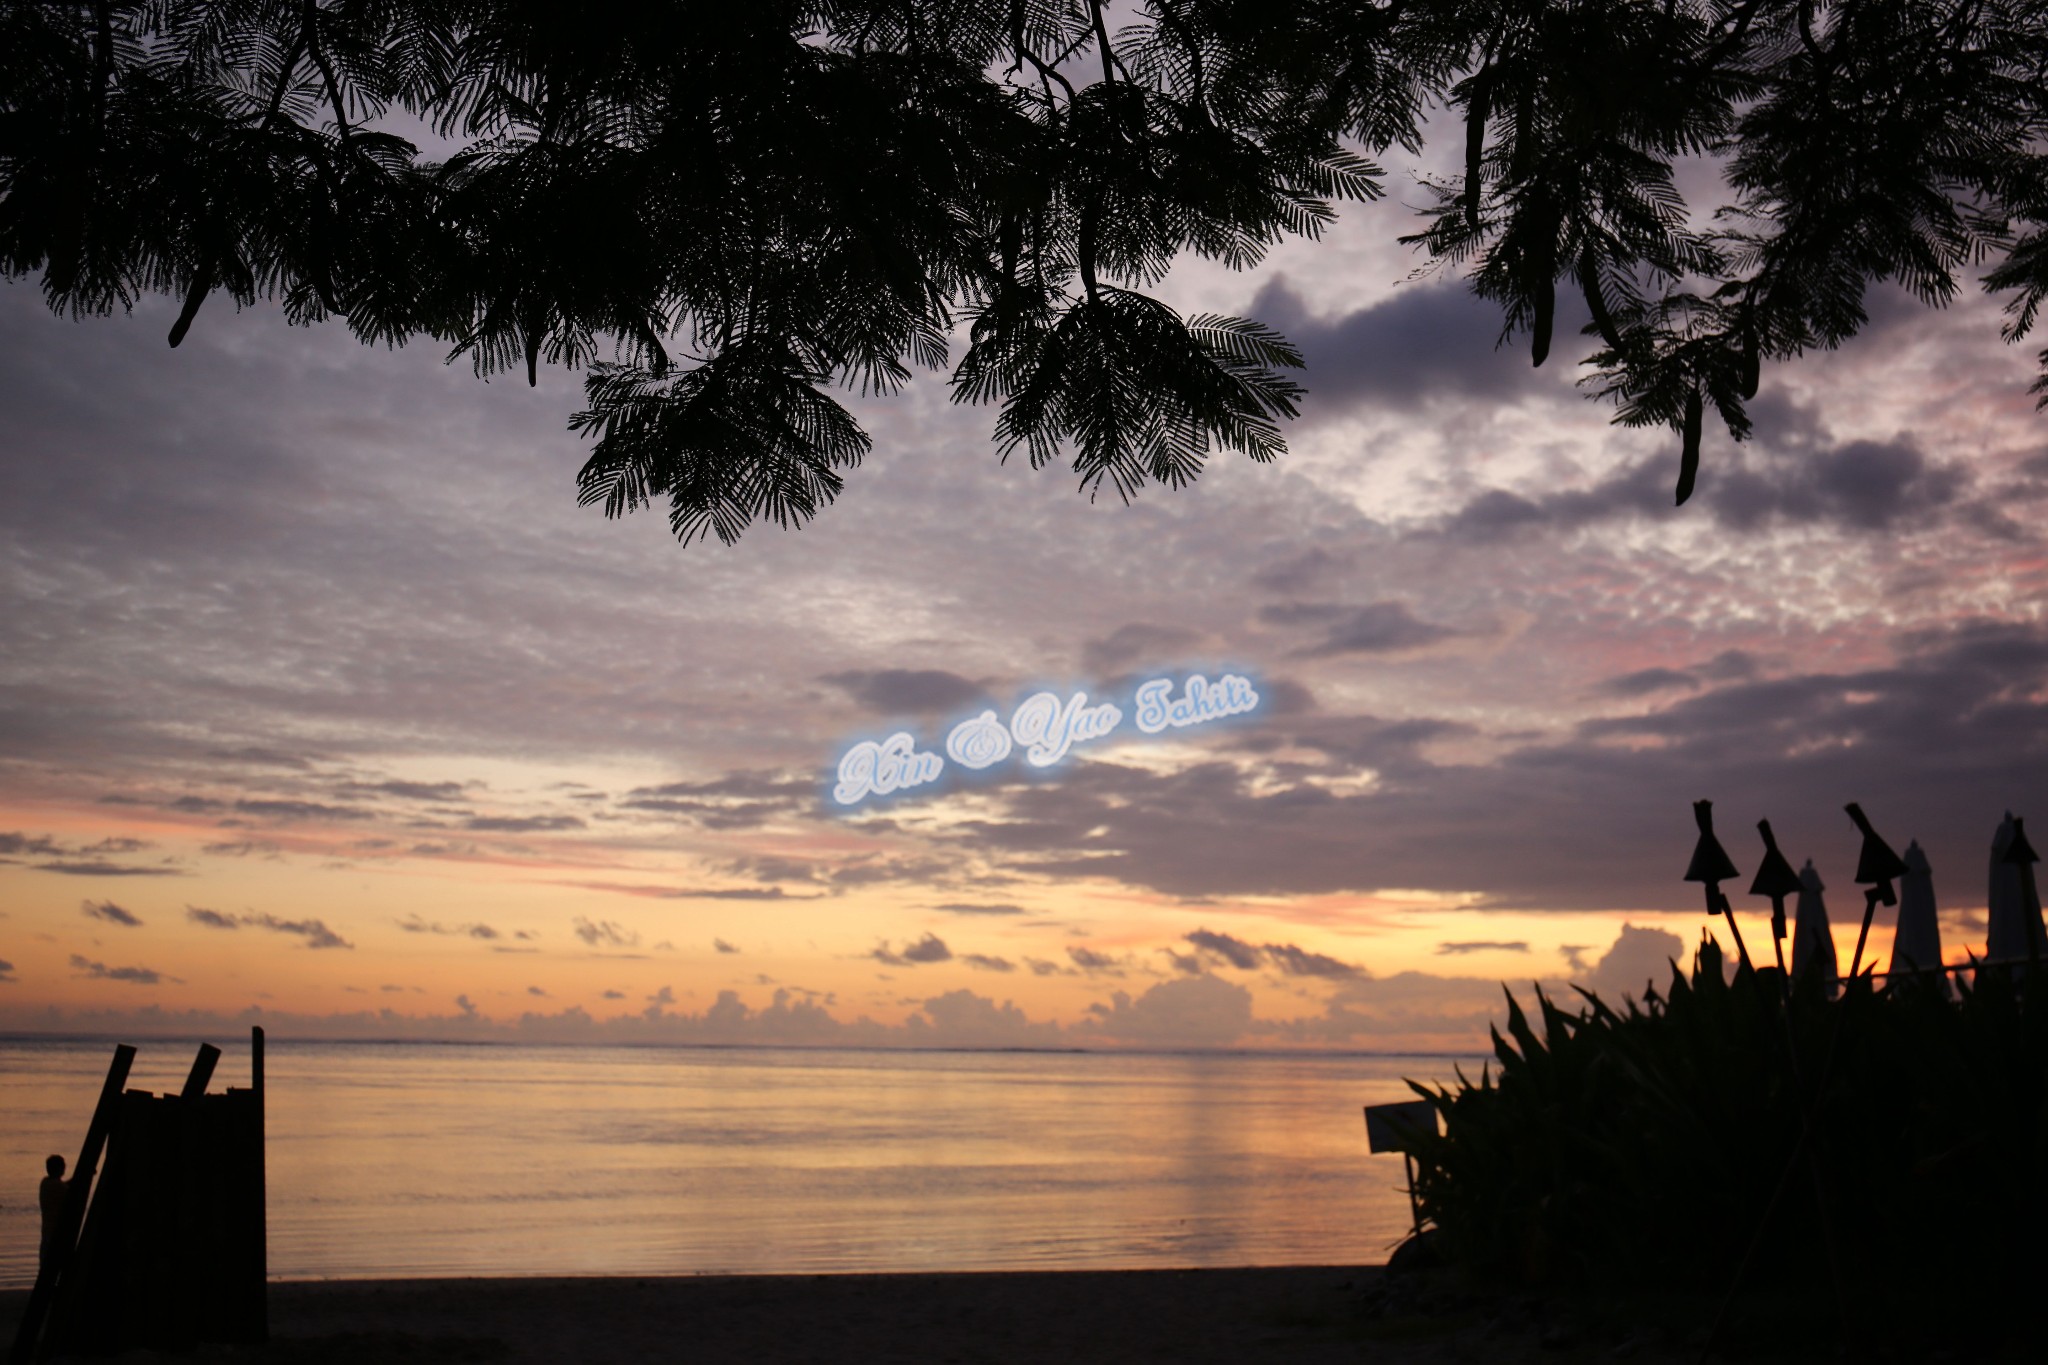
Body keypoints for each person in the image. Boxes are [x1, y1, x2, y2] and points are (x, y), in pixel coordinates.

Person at [39, 1154, 67, 1272]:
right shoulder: (58, 1187)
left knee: (45, 1266)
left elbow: (65, 1185)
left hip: (47, 1232)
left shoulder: (45, 1183)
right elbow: (68, 1189)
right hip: (55, 1233)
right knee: (55, 1266)